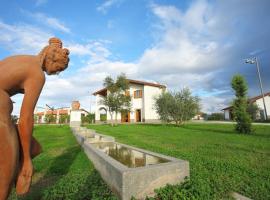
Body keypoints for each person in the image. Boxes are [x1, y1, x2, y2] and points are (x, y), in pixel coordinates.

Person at [0, 37, 69, 199]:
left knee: (34, 148)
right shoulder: (37, 74)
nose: (56, 73)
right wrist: (26, 161)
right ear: (50, 59)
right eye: (58, 68)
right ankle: (13, 171)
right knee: (6, 173)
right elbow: (25, 118)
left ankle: (16, 164)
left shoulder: (23, 59)